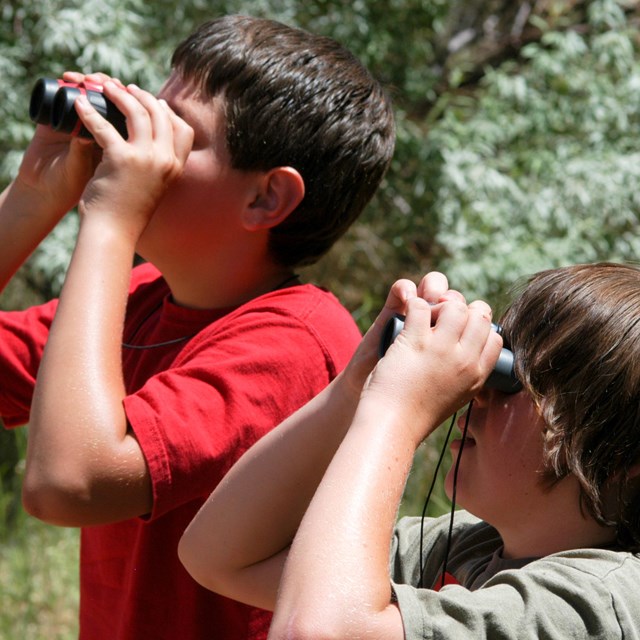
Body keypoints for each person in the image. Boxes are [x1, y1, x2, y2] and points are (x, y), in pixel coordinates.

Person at [0, 15, 395, 640]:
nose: (138, 148)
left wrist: (109, 221)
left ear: (266, 199)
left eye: (176, 134)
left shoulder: (295, 345)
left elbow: (66, 484)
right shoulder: (139, 302)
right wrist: (30, 200)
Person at [178, 263, 640, 639]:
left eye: (515, 382)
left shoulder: (598, 605)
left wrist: (393, 409)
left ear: (621, 457)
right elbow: (219, 557)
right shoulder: (464, 546)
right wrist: (356, 386)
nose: (478, 393)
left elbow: (315, 632)